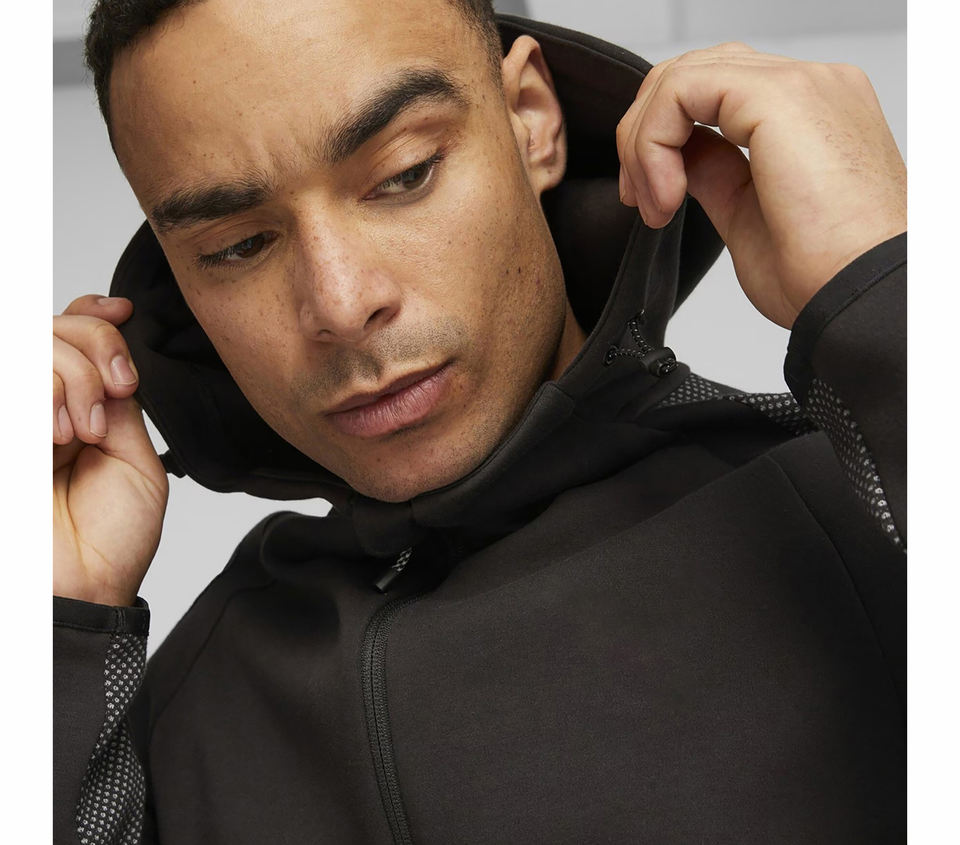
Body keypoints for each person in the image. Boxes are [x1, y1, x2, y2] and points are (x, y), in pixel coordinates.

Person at [52, 0, 907, 842]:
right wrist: (57, 627)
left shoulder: (876, 510)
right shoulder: (181, 710)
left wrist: (891, 296)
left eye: (405, 173)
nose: (342, 304)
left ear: (530, 120)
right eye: (238, 247)